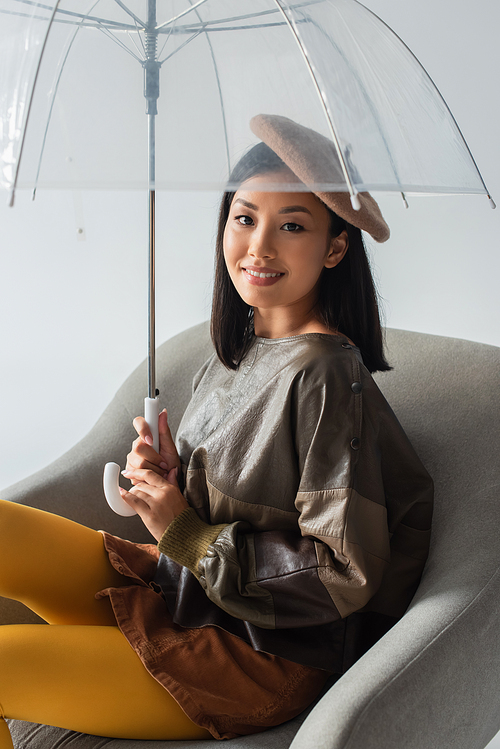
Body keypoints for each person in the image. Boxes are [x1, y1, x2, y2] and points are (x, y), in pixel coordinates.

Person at [0, 115, 433, 746]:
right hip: (184, 595)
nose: (259, 247)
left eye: (291, 225)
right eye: (244, 217)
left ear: (335, 247)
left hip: (257, 656)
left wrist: (183, 528)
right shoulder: (245, 346)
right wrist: (174, 482)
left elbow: (345, 571)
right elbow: (251, 495)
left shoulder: (326, 374)